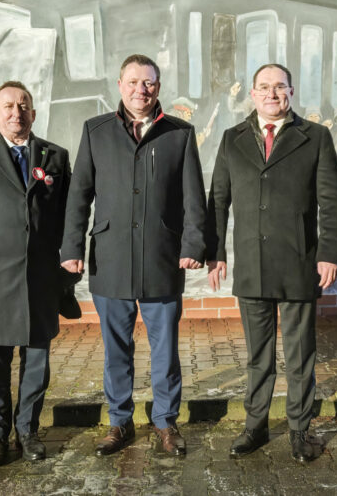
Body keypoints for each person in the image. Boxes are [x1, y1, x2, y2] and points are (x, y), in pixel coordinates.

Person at [60, 54, 207, 457]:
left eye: (149, 83)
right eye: (133, 82)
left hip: (162, 258)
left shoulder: (179, 133)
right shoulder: (96, 131)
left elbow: (194, 197)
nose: (141, 89)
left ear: (158, 87)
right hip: (111, 259)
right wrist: (72, 247)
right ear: (119, 85)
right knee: (116, 350)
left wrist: (193, 245)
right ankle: (119, 422)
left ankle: (165, 422)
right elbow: (79, 196)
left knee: (165, 350)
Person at [206, 64, 337, 463]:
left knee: (300, 354)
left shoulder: (315, 137)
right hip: (251, 262)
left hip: (299, 260)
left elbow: (330, 201)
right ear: (252, 94)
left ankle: (300, 430)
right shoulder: (232, 139)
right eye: (264, 87)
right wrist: (216, 252)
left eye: (279, 86)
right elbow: (218, 199)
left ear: (291, 92)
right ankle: (255, 426)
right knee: (257, 355)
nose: (271, 93)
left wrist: (329, 253)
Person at [0, 81, 71, 466]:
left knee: (36, 359)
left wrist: (67, 269)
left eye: (24, 105)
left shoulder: (55, 156)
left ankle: (28, 432)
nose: (17, 112)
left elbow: (66, 216)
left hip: (40, 275)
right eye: (9, 106)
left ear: (33, 111)